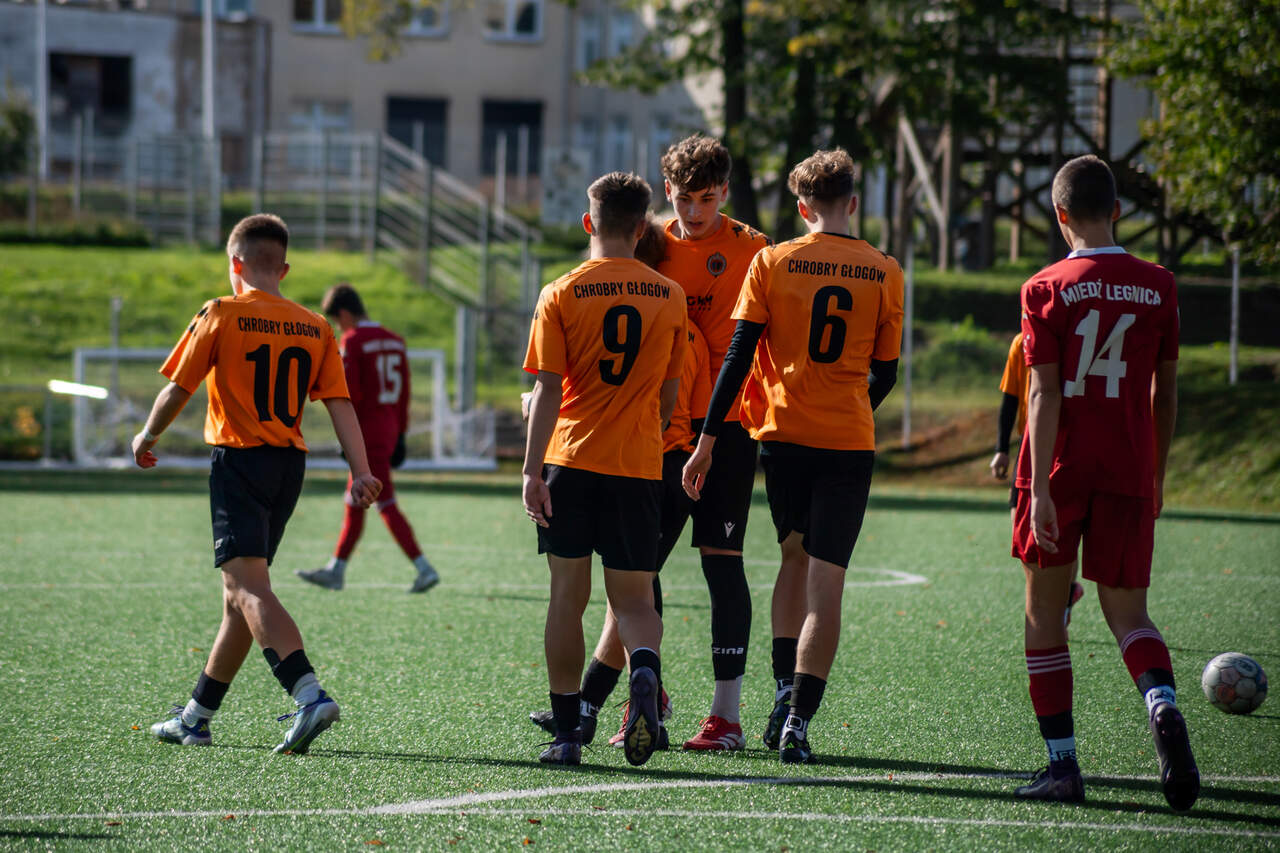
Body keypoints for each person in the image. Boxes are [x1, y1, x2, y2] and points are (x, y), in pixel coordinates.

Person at [683, 149, 903, 764]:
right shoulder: (885, 270)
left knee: (792, 557)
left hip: (782, 435)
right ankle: (797, 722)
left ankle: (783, 689)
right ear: (852, 203)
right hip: (848, 440)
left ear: (803, 208)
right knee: (826, 584)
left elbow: (737, 355)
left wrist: (706, 441)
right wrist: (851, 407)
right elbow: (886, 372)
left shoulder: (772, 260)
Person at [135, 213, 381, 754]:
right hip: (288, 466)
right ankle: (196, 717)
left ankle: (309, 695)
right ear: (284, 269)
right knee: (239, 600)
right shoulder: (315, 325)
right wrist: (361, 470)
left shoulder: (220, 312)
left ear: (235, 263)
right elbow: (340, 404)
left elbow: (179, 388)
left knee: (248, 590)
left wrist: (147, 435)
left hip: (240, 462)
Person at [1011, 154, 1198, 810]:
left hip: (1061, 468)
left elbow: (1044, 393)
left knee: (1045, 613)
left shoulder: (1044, 288)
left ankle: (1063, 766)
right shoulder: (1160, 284)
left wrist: (1038, 488)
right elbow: (1164, 394)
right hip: (1128, 466)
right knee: (1129, 613)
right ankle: (1160, 701)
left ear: (1060, 214)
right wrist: (1157, 473)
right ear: (1117, 210)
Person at [522, 172, 688, 767]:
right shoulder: (670, 296)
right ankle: (642, 668)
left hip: (570, 462)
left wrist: (531, 471)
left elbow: (547, 390)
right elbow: (669, 398)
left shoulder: (561, 292)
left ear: (588, 222)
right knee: (636, 602)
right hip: (637, 467)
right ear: (642, 228)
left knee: (567, 600)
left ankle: (568, 734)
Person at [656, 134, 772, 751]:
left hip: (727, 430)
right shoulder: (650, 246)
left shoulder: (754, 248)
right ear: (667, 190)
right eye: (683, 198)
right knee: (637, 565)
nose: (694, 211)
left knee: (721, 563)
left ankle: (726, 717)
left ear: (725, 191)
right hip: (660, 425)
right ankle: (647, 692)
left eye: (706, 198)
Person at [295, 283, 440, 594]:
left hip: (365, 433)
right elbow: (404, 392)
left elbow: (350, 395)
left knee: (384, 501)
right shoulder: (395, 341)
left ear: (344, 314)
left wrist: (347, 440)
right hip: (389, 429)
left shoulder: (353, 341)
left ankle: (423, 567)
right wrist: (401, 433)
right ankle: (337, 569)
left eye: (338, 321)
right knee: (355, 501)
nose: (339, 327)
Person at [992, 332, 1083, 626]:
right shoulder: (1021, 343)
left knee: (1064, 530)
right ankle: (1054, 597)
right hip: (1028, 445)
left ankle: (1063, 600)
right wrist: (1001, 449)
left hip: (1066, 444)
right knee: (1021, 531)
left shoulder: (1072, 339)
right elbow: (1010, 399)